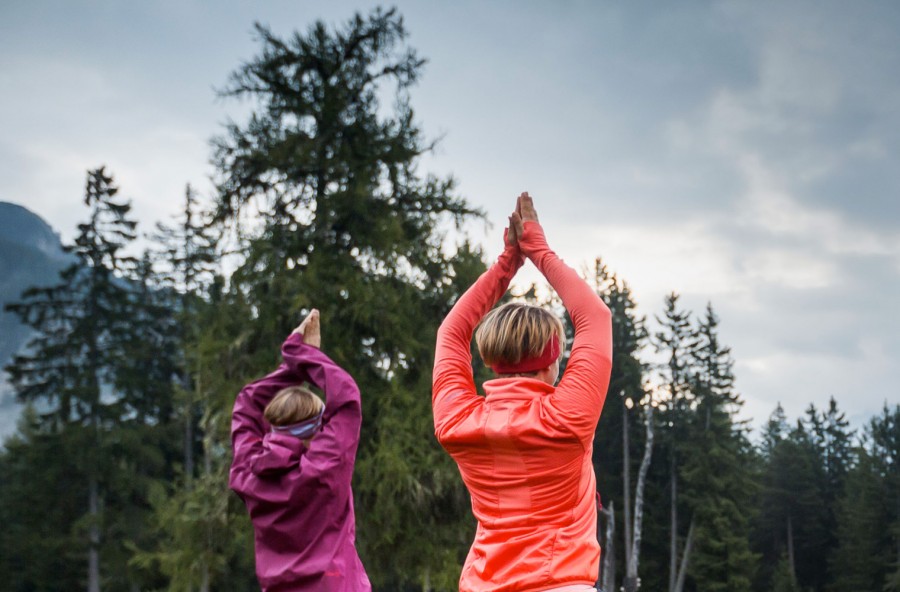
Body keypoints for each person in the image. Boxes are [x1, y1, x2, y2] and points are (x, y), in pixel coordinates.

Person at [432, 193, 613, 592]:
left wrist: (506, 262)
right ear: (552, 363)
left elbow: (452, 332)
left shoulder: (457, 422)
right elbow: (595, 316)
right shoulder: (566, 419)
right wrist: (536, 249)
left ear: (491, 359)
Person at [230, 309, 371, 592]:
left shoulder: (249, 471)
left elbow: (247, 404)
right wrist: (299, 354)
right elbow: (347, 396)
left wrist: (295, 365)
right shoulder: (323, 468)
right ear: (314, 431)